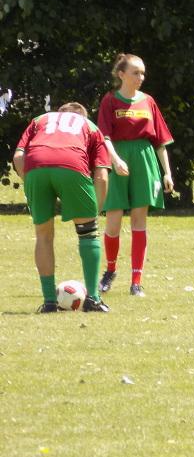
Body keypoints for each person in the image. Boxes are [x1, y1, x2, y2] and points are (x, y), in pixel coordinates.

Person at [12, 102, 111, 313]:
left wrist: (30, 182)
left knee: (43, 236)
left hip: (35, 166)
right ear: (83, 116)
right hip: (71, 163)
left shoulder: (40, 120)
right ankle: (93, 299)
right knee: (88, 233)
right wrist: (95, 211)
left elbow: (19, 157)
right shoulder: (90, 127)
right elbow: (102, 176)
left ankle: (49, 302)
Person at [97, 53, 174, 297]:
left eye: (142, 73)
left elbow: (160, 141)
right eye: (135, 73)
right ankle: (110, 271)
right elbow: (104, 136)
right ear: (121, 74)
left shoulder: (148, 101)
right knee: (114, 219)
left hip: (144, 159)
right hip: (119, 157)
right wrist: (115, 159)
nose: (140, 77)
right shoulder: (110, 100)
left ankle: (136, 281)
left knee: (139, 221)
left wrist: (167, 173)